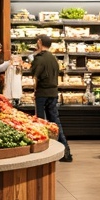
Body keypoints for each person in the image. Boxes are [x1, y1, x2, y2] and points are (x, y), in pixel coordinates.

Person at [30, 34, 71, 162]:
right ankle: (66, 152)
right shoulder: (54, 58)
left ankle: (43, 154)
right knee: (55, 122)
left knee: (41, 123)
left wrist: (34, 92)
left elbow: (35, 78)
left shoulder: (39, 59)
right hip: (53, 93)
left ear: (40, 42)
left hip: (42, 94)